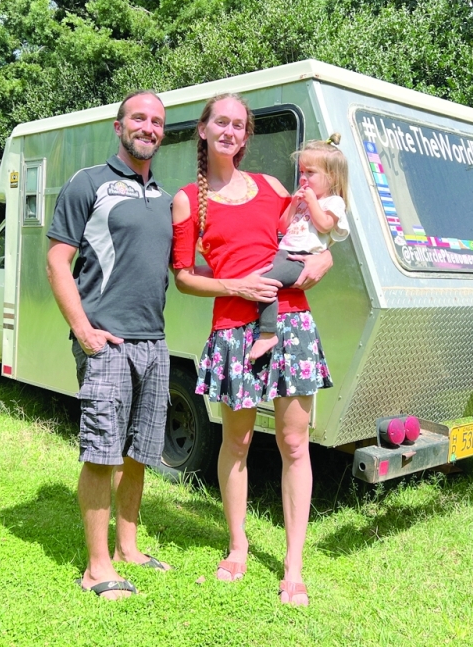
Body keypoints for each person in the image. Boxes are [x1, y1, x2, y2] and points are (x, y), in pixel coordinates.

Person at [170, 93, 334, 607]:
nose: (230, 131)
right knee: (236, 444)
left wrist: (325, 261)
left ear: (246, 136)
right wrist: (236, 287)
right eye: (221, 121)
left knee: (294, 446)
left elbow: (308, 239)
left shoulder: (272, 187)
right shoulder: (188, 201)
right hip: (234, 331)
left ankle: (293, 566)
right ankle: (237, 547)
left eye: (239, 125)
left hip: (292, 325)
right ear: (203, 130)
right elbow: (184, 278)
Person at [45, 91, 173, 600]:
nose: (148, 127)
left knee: (139, 453)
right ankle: (97, 568)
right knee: (102, 454)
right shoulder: (89, 184)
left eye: (157, 121)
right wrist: (83, 329)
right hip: (106, 341)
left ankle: (128, 548)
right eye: (139, 118)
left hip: (154, 341)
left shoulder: (165, 197)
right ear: (119, 126)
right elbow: (57, 262)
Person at [247, 135, 350, 362]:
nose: (303, 178)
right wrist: (295, 203)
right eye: (302, 172)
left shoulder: (333, 202)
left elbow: (324, 225)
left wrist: (312, 202)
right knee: (256, 274)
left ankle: (267, 333)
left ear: (331, 176)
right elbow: (282, 225)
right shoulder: (302, 198)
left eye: (310, 173)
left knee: (265, 281)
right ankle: (264, 327)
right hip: (285, 252)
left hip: (304, 257)